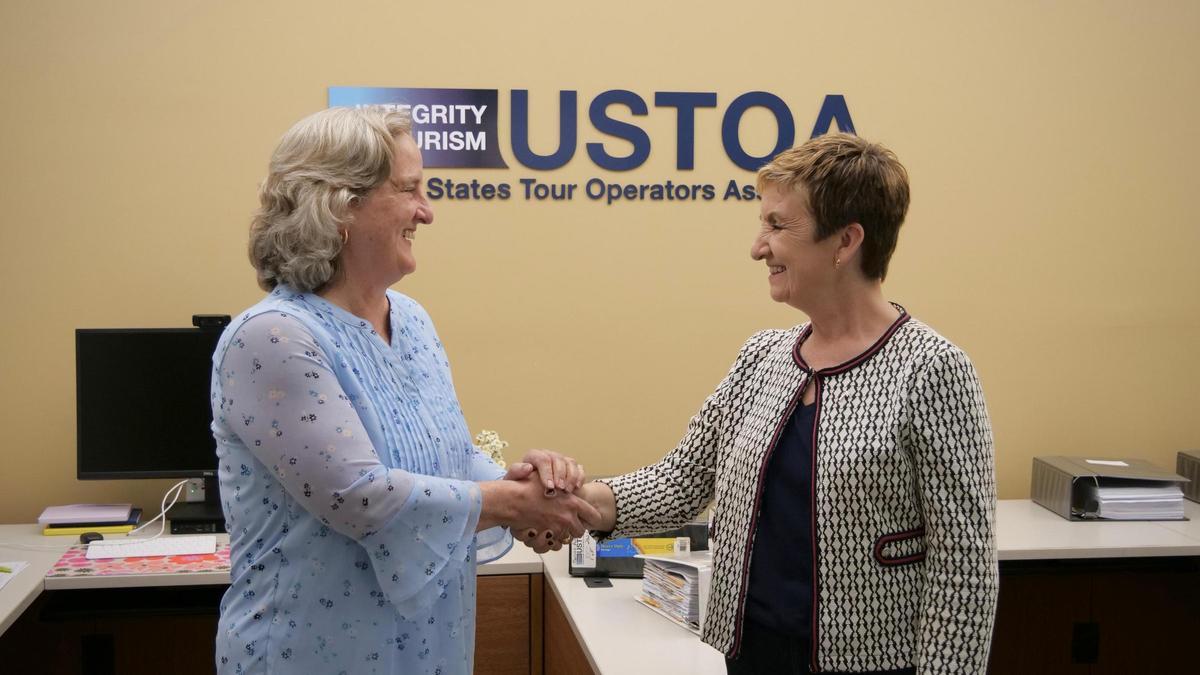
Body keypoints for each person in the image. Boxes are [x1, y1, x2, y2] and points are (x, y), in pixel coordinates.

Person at [571, 134, 998, 674]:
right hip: (753, 656)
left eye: (777, 225)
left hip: (874, 664)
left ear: (845, 241)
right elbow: (681, 482)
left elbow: (964, 570)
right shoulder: (762, 357)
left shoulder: (934, 371)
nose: (757, 246)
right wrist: (575, 501)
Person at [210, 106, 598, 675]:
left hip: (427, 646)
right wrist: (514, 503)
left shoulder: (410, 319)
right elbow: (361, 496)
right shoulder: (272, 337)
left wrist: (526, 484)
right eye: (411, 189)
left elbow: (448, 459)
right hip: (308, 653)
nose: (428, 211)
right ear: (341, 204)